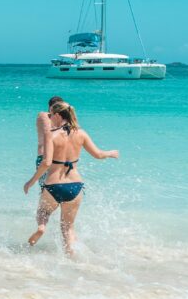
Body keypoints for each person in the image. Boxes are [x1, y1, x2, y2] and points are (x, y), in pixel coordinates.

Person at [24, 100, 119, 256]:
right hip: (75, 186)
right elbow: (98, 154)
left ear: (58, 115)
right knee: (68, 228)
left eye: (51, 115)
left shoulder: (51, 134)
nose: (50, 118)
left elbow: (46, 163)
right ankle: (72, 259)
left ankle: (41, 228)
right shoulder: (81, 133)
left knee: (43, 213)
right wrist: (111, 153)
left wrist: (31, 181)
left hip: (53, 185)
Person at [36, 96, 65, 188]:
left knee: (50, 190)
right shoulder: (44, 115)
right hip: (47, 157)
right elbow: (49, 132)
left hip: (55, 158)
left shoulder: (59, 119)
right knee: (49, 189)